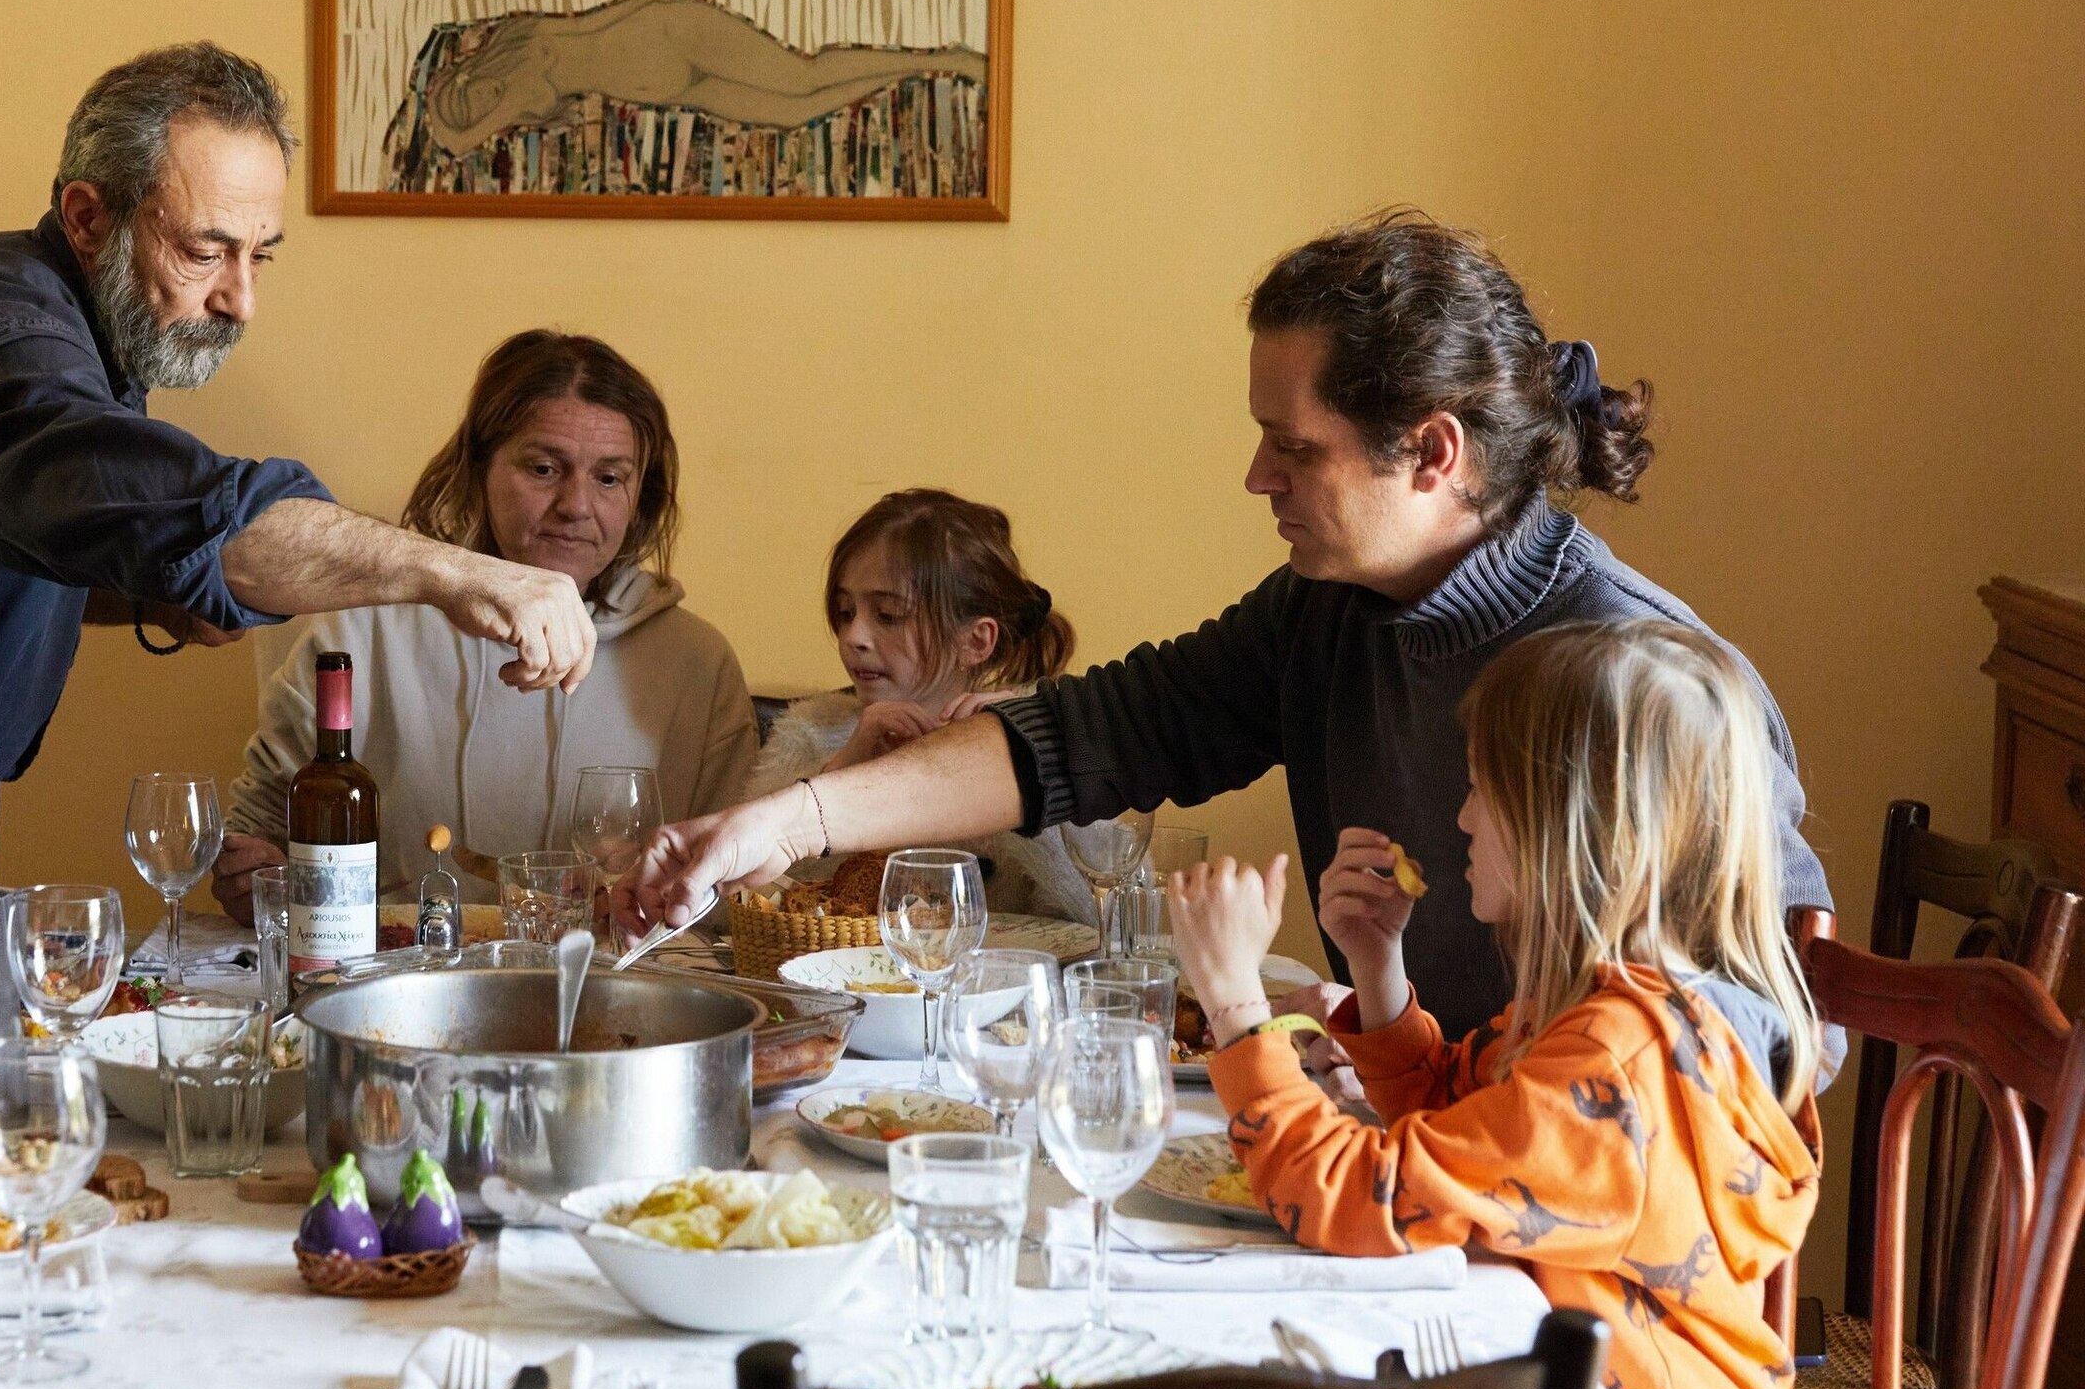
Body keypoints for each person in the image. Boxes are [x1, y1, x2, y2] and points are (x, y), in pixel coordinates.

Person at [624, 211, 1832, 1040]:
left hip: (1549, 1242)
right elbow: (1089, 734)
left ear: (1434, 451)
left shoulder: (1639, 676)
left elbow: (1775, 1031)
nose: (1259, 477)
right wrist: (784, 821)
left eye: (1294, 447)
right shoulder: (1331, 613)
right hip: (1419, 1153)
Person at [1164, 620, 1824, 1389]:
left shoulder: (1616, 1063)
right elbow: (1455, 1131)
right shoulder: (1610, 1011)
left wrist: (1235, 1004)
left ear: (1569, 824)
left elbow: (1353, 1194)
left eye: (1483, 789)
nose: (1461, 817)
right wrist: (1376, 971)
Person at [0, 43, 598, 883]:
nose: (242, 299)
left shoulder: (88, 325)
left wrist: (148, 596)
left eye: (259, 253)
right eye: (207, 252)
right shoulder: (10, 336)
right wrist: (454, 573)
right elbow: (195, 506)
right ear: (88, 218)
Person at [214, 330, 753, 911]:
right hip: (402, 977)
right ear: (479, 470)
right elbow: (261, 835)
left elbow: (740, 885)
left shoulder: (699, 663)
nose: (576, 505)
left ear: (640, 496)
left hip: (617, 979)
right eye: (544, 469)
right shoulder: (357, 636)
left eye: (609, 478)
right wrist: (257, 874)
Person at [743, 489, 1090, 921]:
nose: (854, 636)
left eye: (888, 615)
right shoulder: (807, 733)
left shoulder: (1054, 739)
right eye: (846, 611)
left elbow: (1101, 922)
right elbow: (741, 909)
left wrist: (1019, 774)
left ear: (975, 641)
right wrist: (841, 773)